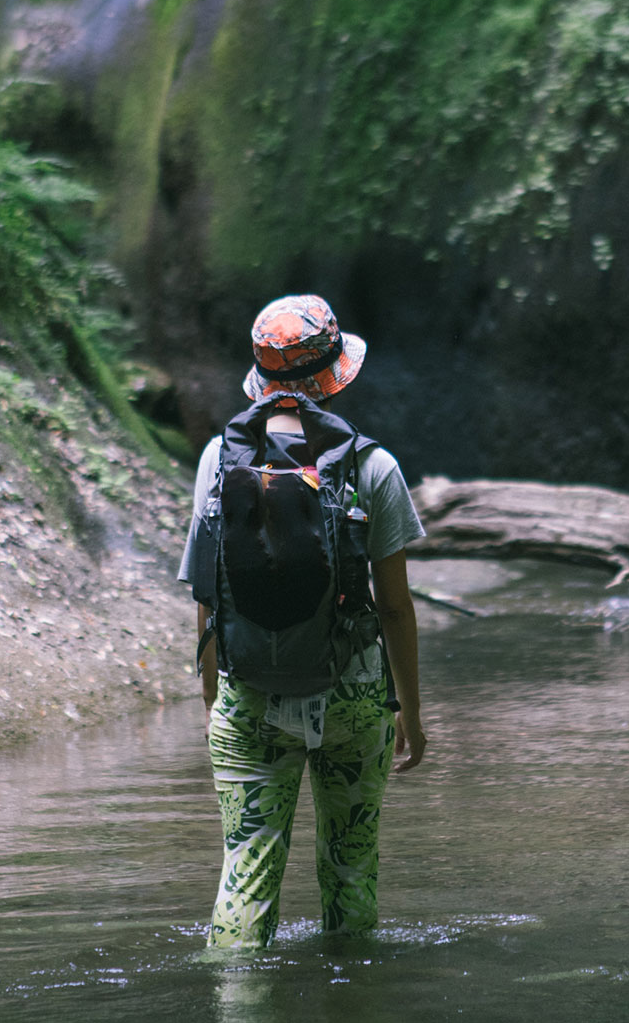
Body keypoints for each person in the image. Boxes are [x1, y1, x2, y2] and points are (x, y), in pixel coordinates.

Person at [178, 293, 426, 947]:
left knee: (246, 875)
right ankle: (353, 997)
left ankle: (235, 997)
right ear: (336, 375)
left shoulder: (218, 460)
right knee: (351, 870)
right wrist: (409, 710)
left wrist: (216, 699)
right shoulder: (374, 467)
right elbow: (396, 606)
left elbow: (207, 589)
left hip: (250, 697)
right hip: (352, 695)